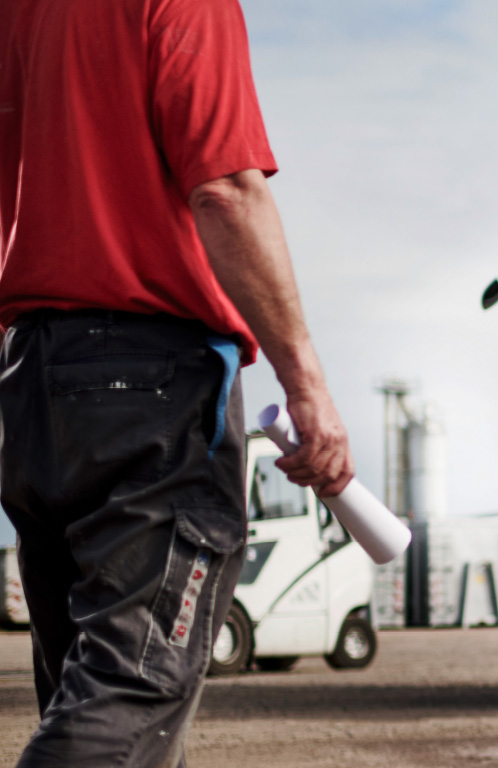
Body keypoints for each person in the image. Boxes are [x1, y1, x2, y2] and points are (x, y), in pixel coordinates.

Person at [0, 1, 354, 764]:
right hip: (149, 384)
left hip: (32, 383)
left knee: (110, 704)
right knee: (133, 686)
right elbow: (225, 188)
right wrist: (306, 381)